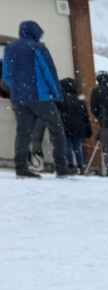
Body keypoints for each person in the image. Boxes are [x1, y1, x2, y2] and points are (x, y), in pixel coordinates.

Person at [3, 20, 70, 178]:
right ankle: (61, 168)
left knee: (23, 132)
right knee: (57, 129)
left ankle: (21, 168)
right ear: (34, 32)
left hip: (18, 97)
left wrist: (18, 89)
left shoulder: (9, 48)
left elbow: (6, 75)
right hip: (39, 96)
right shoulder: (38, 48)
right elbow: (49, 72)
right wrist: (57, 94)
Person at [58, 76, 90, 174]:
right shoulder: (79, 99)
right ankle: (81, 165)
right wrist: (87, 127)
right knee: (78, 147)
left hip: (66, 125)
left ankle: (70, 165)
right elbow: (85, 115)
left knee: (68, 147)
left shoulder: (61, 98)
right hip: (79, 126)